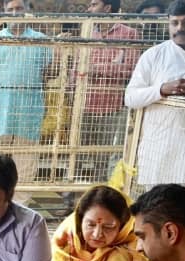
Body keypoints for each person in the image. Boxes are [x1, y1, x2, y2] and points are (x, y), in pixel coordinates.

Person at [124, 0, 185, 193]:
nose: (180, 28)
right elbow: (130, 97)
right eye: (175, 23)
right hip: (160, 151)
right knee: (159, 206)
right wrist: (162, 89)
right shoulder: (154, 55)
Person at [0, 0, 53, 182]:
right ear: (4, 12)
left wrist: (57, 45)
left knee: (25, 163)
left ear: (27, 11)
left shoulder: (39, 38)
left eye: (19, 8)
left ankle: (20, 200)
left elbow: (51, 72)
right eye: (10, 9)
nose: (15, 13)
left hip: (29, 110)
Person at [51, 185, 154, 261]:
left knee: (119, 258)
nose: (97, 234)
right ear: (81, 219)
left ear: (122, 226)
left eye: (108, 227)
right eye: (90, 225)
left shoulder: (135, 235)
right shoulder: (66, 237)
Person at [77, 0, 139, 184]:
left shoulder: (128, 34)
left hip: (112, 106)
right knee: (77, 152)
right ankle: (71, 194)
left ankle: (101, 194)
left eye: (94, 4)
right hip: (84, 103)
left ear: (107, 8)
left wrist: (96, 68)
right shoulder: (88, 32)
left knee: (104, 156)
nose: (89, 9)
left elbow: (130, 69)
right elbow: (77, 68)